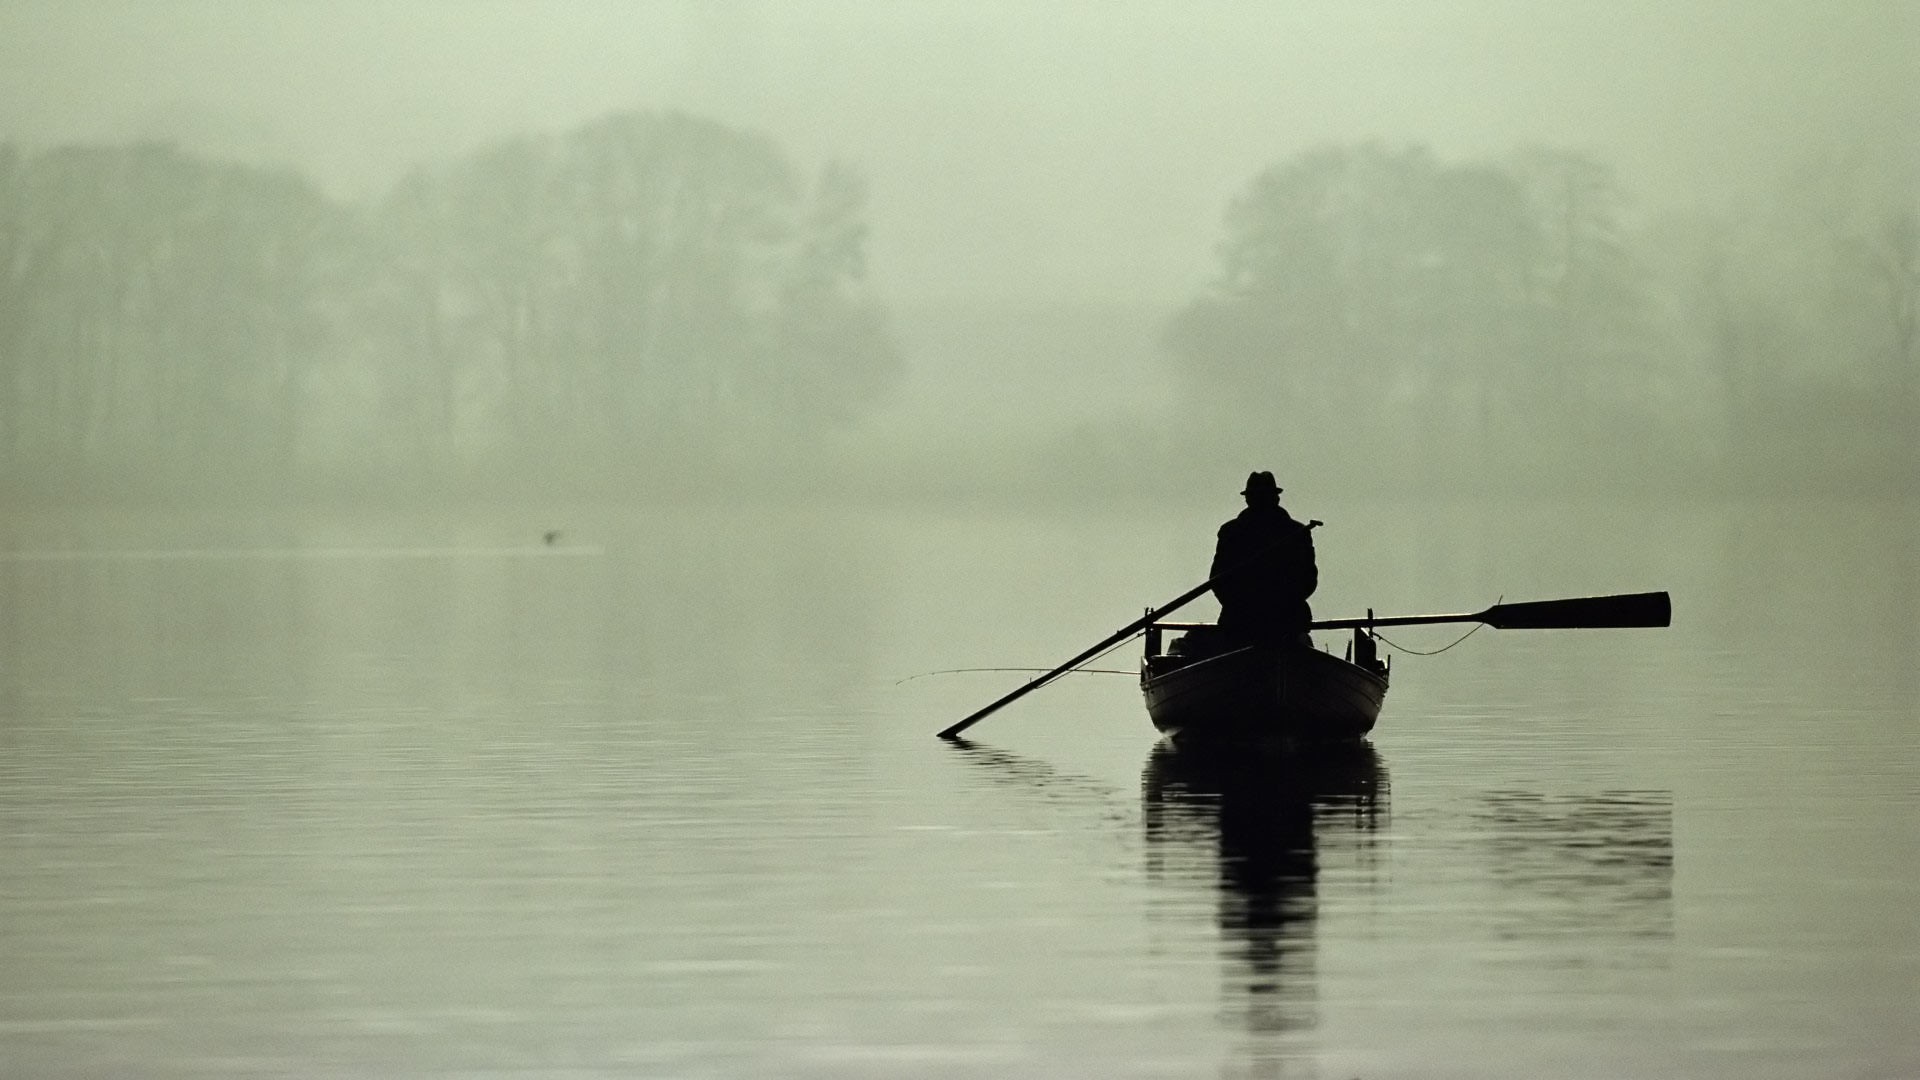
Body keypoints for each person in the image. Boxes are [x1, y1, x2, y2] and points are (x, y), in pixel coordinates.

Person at [1210, 471, 1317, 641]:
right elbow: (1219, 580)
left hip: (1283, 621)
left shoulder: (1297, 533)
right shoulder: (1231, 533)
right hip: (1245, 620)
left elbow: (1307, 579)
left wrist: (1277, 603)